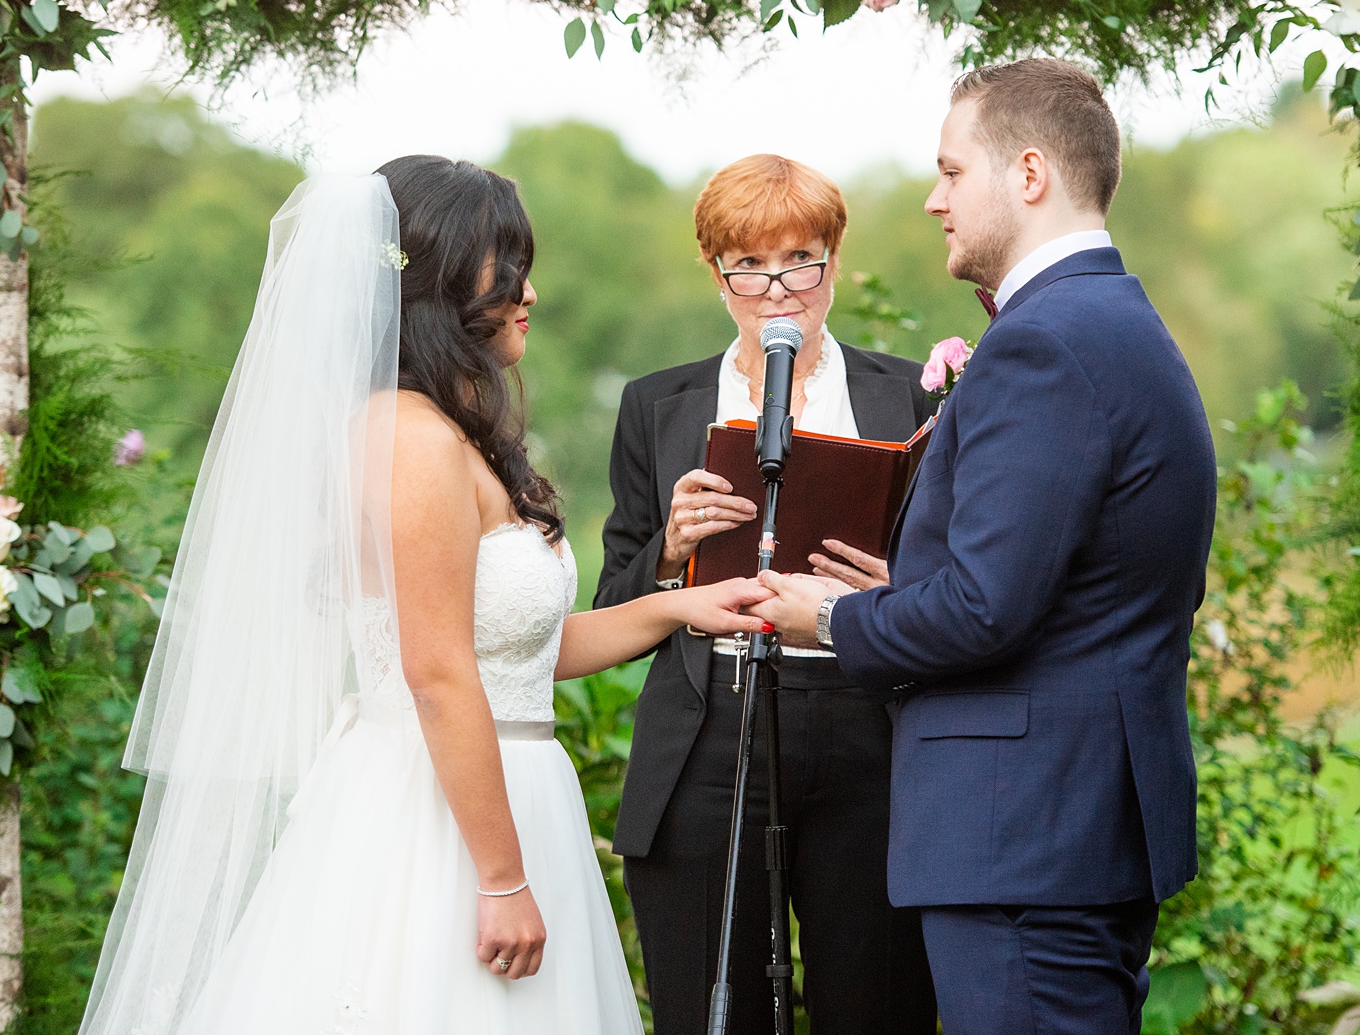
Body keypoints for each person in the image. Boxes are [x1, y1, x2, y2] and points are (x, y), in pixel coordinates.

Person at [79, 158, 775, 1035]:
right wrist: (501, 878)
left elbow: (519, 652)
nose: (531, 290)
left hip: (509, 790)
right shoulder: (409, 438)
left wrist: (676, 606)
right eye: (507, 265)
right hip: (436, 823)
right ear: (441, 281)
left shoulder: (454, 432)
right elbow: (440, 671)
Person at [753, 59, 1217, 1034]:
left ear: (1030, 173)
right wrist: (906, 589)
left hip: (1025, 833)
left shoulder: (1042, 343)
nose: (932, 200)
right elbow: (1093, 577)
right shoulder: (1117, 323)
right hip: (1068, 823)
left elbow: (984, 609)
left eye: (951, 171)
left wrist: (828, 614)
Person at [597, 154, 938, 1035]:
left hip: (866, 723)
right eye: (749, 263)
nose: (777, 287)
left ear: (835, 260)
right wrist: (671, 552)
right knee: (713, 1005)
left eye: (802, 258)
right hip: (712, 720)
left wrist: (896, 590)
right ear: (716, 274)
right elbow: (612, 602)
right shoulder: (657, 405)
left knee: (879, 1004)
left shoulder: (911, 393)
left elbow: (959, 579)